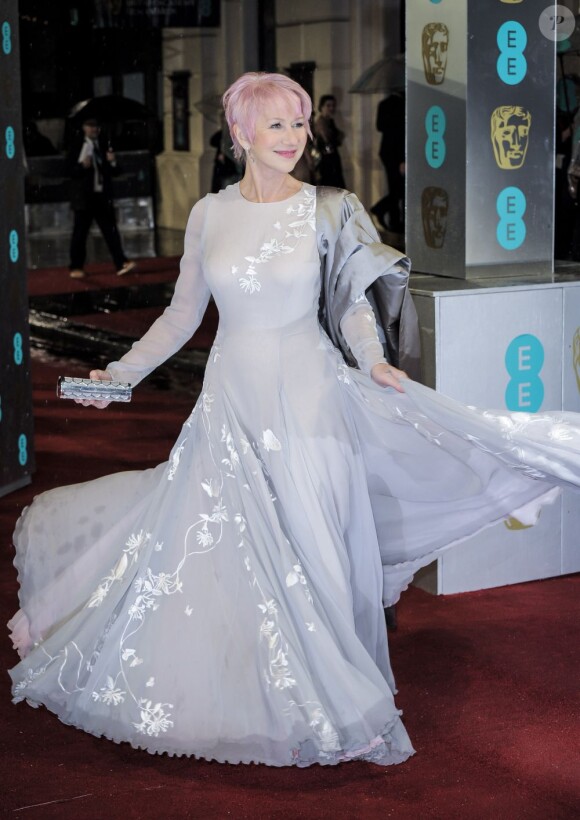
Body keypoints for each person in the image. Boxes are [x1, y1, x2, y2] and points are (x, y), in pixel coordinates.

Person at [8, 72, 580, 768]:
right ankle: (262, 688)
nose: (291, 137)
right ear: (241, 133)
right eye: (275, 124)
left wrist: (373, 360)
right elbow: (183, 315)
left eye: (300, 123)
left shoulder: (329, 208)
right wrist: (121, 373)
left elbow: (350, 306)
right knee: (232, 548)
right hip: (231, 399)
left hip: (310, 395)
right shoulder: (210, 214)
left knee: (313, 540)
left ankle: (343, 704)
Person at [67, 116, 136, 279]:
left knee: (110, 230)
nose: (94, 129)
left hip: (102, 195)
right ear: (84, 128)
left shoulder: (103, 145)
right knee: (80, 232)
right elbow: (68, 170)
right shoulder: (78, 146)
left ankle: (121, 262)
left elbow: (115, 171)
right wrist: (81, 166)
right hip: (85, 197)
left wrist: (112, 162)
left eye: (96, 126)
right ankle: (76, 266)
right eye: (90, 126)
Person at [370, 92, 405, 234]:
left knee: (395, 186)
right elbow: (402, 132)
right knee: (400, 188)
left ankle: (394, 221)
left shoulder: (384, 104)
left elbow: (379, 126)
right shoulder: (402, 104)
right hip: (397, 152)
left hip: (387, 151)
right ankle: (383, 210)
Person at [313, 94, 346, 187]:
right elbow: (328, 139)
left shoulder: (330, 121)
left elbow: (339, 138)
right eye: (328, 105)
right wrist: (338, 136)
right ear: (321, 107)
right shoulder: (321, 121)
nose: (331, 108)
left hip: (332, 157)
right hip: (326, 159)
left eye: (333, 105)